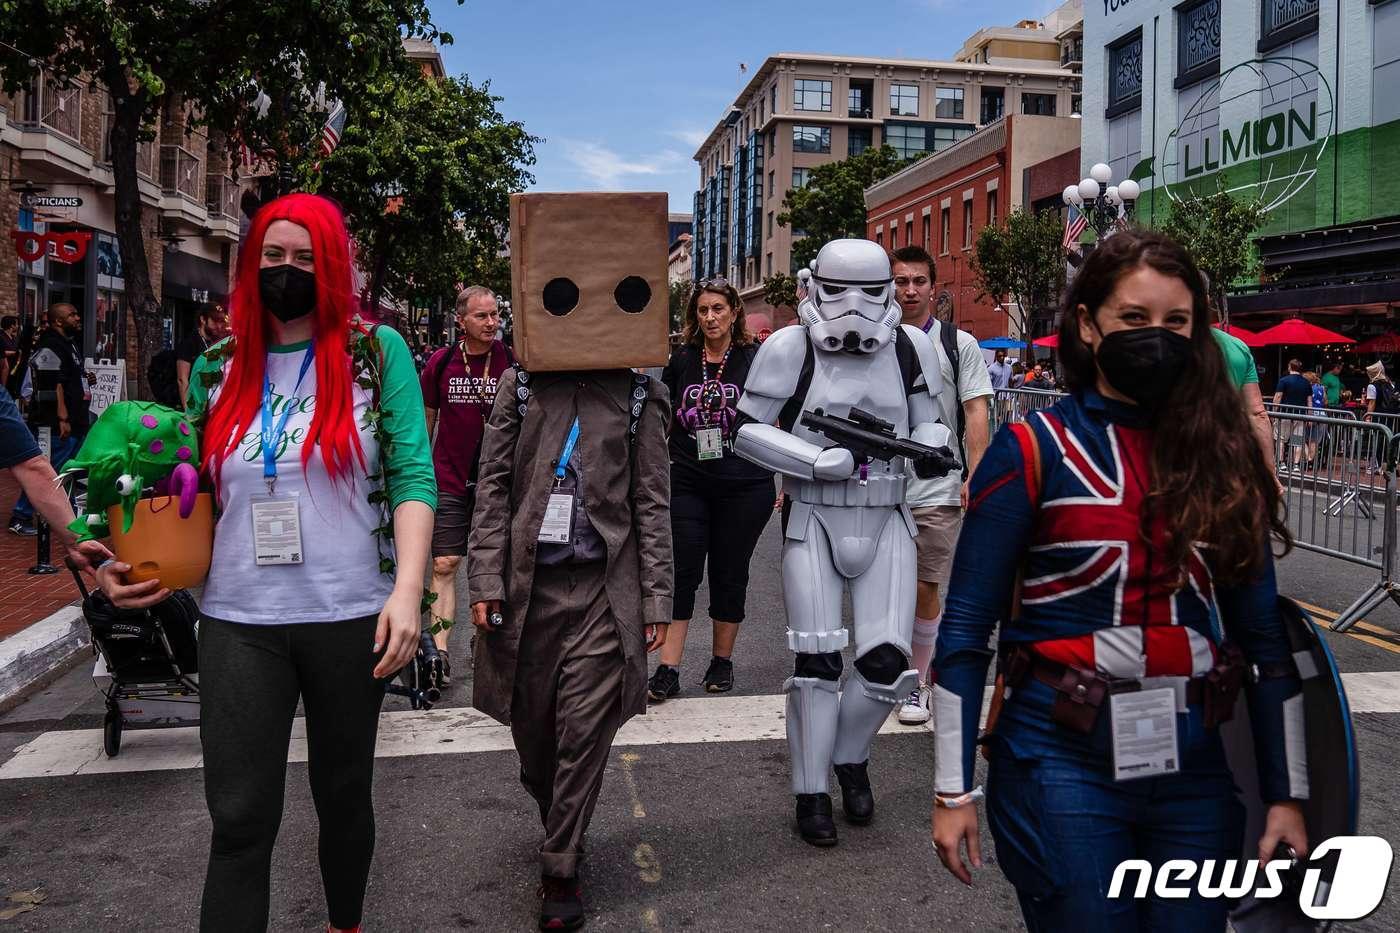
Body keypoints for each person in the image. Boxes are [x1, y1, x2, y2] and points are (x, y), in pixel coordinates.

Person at [931, 230, 1308, 931]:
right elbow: (965, 628)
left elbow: (1266, 643)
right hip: (1057, 756)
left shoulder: (1222, 459)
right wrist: (953, 790)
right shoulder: (1031, 450)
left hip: (1193, 764)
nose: (1155, 336)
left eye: (1176, 320)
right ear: (1087, 323)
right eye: (1134, 317)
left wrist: (1288, 795)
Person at [97, 193, 435, 933]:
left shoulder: (376, 354)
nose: (287, 270)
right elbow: (177, 487)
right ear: (251, 264)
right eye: (273, 256)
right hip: (239, 619)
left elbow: (413, 473)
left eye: (306, 258)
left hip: (353, 616)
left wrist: (408, 591)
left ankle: (344, 924)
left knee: (342, 796)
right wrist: (118, 555)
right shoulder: (216, 368)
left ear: (334, 266)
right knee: (240, 817)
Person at [467, 191, 673, 931]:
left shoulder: (641, 395)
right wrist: (485, 578)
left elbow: (653, 501)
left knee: (586, 730)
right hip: (530, 589)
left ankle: (560, 868)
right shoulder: (520, 386)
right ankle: (561, 815)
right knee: (536, 739)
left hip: (601, 592)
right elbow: (492, 487)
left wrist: (656, 598)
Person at [733, 238, 956, 847]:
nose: (854, 306)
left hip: (888, 515)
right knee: (816, 662)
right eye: (838, 291)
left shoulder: (911, 346)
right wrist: (813, 460)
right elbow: (747, 430)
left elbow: (928, 418)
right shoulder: (789, 346)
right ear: (814, 286)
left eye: (869, 291)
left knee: (888, 664)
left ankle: (849, 756)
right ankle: (810, 791)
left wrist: (931, 446)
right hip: (814, 516)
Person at [648, 279, 774, 701]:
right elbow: (663, 412)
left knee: (729, 572)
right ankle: (668, 668)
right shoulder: (684, 357)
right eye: (703, 310)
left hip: (745, 482)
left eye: (718, 308)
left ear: (734, 312)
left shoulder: (755, 358)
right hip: (688, 478)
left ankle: (722, 661)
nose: (710, 317)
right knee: (682, 571)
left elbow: (779, 414)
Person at [887, 246, 992, 725]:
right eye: (900, 281)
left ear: (933, 288)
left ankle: (918, 682)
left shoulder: (958, 344)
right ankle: (888, 672)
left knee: (925, 583)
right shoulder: (872, 340)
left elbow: (975, 409)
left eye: (918, 281)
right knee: (884, 586)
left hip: (936, 484)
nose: (909, 290)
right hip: (879, 484)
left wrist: (977, 472)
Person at [421, 285, 513, 684]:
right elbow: (426, 421)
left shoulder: (512, 361)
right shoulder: (440, 363)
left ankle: (485, 639)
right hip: (449, 477)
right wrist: (418, 472)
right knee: (445, 563)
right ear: (461, 321)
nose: (491, 323)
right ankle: (439, 655)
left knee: (493, 563)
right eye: (482, 316)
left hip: (500, 480)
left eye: (495, 315)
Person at [0, 384, 112, 573]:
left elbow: (33, 468)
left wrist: (77, 541)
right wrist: (76, 541)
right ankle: (21, 515)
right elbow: (32, 468)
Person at [8, 303, 90, 536]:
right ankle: (20, 515)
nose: (77, 318)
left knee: (68, 470)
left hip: (77, 419)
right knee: (49, 471)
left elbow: (70, 377)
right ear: (58, 321)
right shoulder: (51, 345)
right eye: (72, 315)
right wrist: (62, 418)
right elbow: (54, 384)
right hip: (56, 424)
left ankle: (67, 517)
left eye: (77, 313)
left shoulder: (69, 343)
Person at [176, 305, 232, 406]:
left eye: (221, 321)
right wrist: (187, 408)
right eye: (214, 321)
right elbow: (182, 379)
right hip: (193, 403)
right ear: (203, 319)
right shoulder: (189, 343)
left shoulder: (217, 342)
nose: (219, 326)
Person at [0, 315, 18, 389]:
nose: (17, 326)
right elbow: (1, 352)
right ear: (12, 326)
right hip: (3, 370)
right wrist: (14, 353)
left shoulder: (14, 338)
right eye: (16, 324)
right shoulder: (1, 337)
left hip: (13, 370)